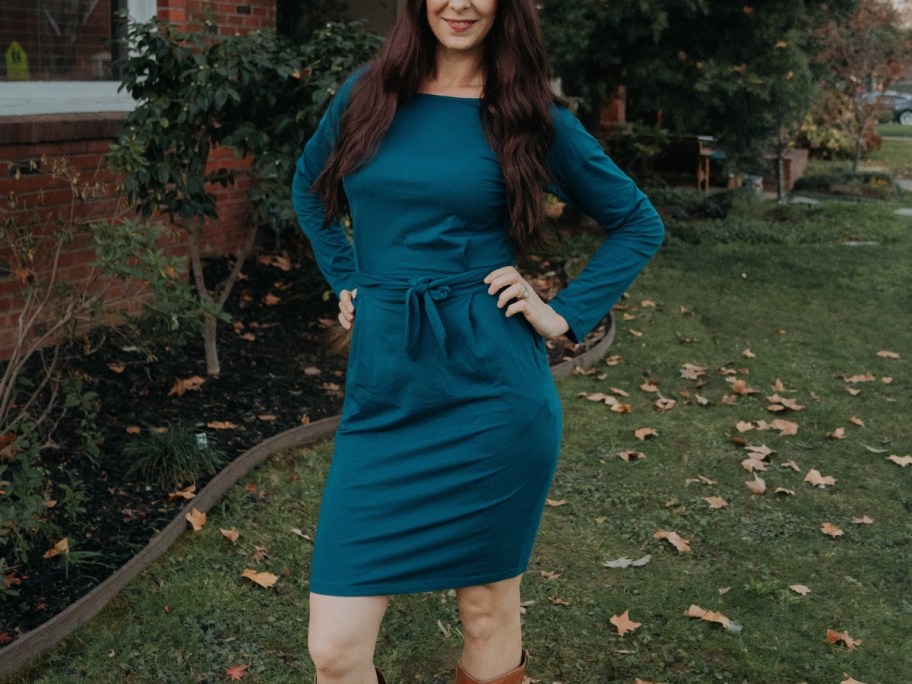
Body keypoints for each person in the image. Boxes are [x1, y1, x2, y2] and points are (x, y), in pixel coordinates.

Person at [291, 1, 664, 682]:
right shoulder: (365, 94)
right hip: (386, 397)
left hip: (493, 396)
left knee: (487, 614)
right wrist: (346, 276)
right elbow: (309, 188)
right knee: (335, 649)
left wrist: (565, 314)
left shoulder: (528, 114)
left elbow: (637, 222)